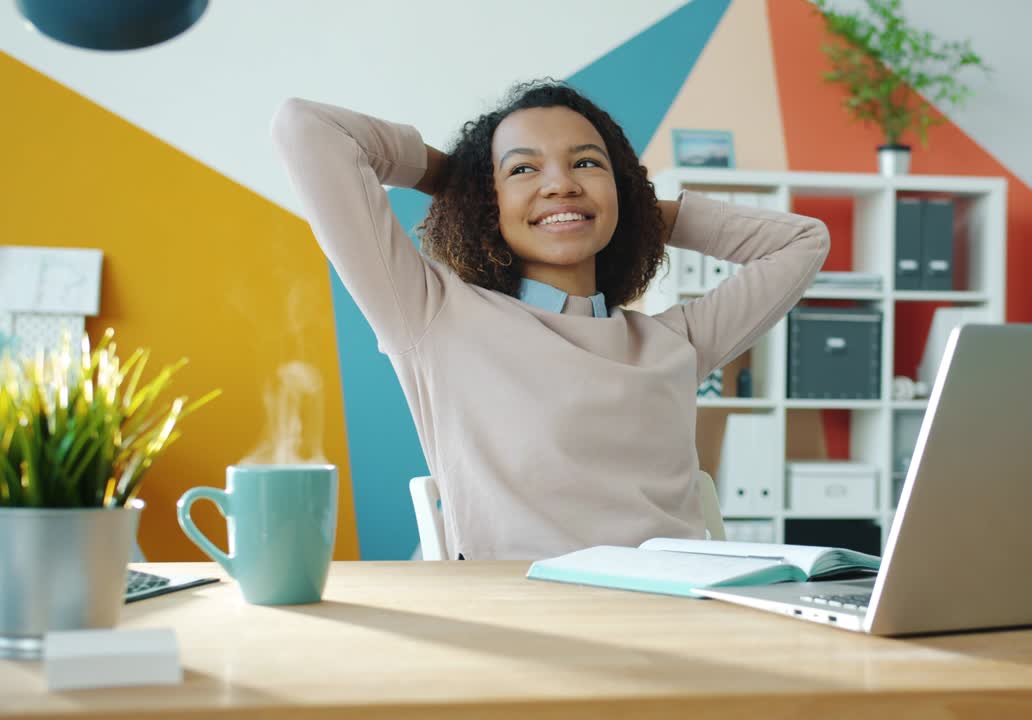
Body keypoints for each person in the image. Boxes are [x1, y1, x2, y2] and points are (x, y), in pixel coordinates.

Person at [270, 80, 829, 560]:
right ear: (486, 199)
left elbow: (804, 241)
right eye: (522, 169)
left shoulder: (674, 341)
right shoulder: (433, 316)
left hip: (677, 615)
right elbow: (306, 128)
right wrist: (459, 180)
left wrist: (629, 209)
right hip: (525, 621)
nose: (561, 183)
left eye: (586, 163)